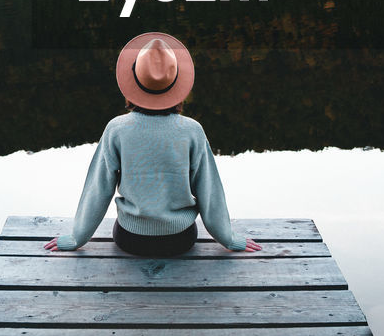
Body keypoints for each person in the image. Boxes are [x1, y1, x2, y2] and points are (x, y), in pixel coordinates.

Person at [44, 32, 262, 256]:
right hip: (180, 239)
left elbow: (99, 189)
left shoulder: (117, 129)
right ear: (177, 85)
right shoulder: (192, 131)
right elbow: (209, 190)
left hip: (130, 239)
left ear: (133, 84)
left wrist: (77, 237)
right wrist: (228, 238)